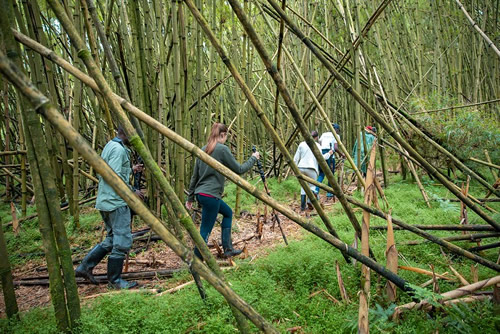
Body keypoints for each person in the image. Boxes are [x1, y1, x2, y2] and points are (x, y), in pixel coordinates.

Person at [75, 126, 144, 289]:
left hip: (106, 200)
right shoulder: (119, 150)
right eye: (132, 136)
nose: (134, 140)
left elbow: (112, 171)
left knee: (112, 238)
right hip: (116, 202)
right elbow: (113, 177)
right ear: (125, 133)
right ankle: (115, 281)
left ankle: (84, 267)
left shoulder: (111, 146)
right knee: (122, 240)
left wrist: (131, 169)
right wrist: (132, 191)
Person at [186, 123, 259, 258]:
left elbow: (194, 176)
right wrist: (253, 158)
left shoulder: (203, 149)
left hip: (201, 194)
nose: (226, 139)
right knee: (205, 229)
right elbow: (239, 169)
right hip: (211, 195)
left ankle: (227, 249)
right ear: (223, 135)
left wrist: (190, 197)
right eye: (226, 136)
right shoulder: (222, 150)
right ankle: (197, 259)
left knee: (227, 213)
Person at [294, 130, 334, 211]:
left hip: (301, 167)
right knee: (312, 186)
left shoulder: (301, 144)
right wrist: (329, 153)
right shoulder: (317, 146)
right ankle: (309, 201)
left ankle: (302, 206)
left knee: (303, 186)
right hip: (312, 168)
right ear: (316, 138)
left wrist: (294, 169)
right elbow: (321, 158)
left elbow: (295, 158)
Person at [316, 123, 343, 199]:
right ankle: (329, 193)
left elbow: (319, 143)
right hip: (330, 154)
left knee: (321, 173)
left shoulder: (324, 134)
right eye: (338, 130)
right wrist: (342, 154)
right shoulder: (336, 135)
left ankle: (316, 190)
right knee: (331, 174)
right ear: (336, 129)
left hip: (321, 154)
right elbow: (336, 147)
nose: (338, 132)